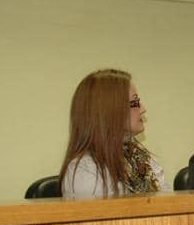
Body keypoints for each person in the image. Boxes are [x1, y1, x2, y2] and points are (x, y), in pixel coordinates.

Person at [60, 69, 166, 198]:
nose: (143, 109)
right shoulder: (85, 171)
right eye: (135, 103)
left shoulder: (141, 159)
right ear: (109, 112)